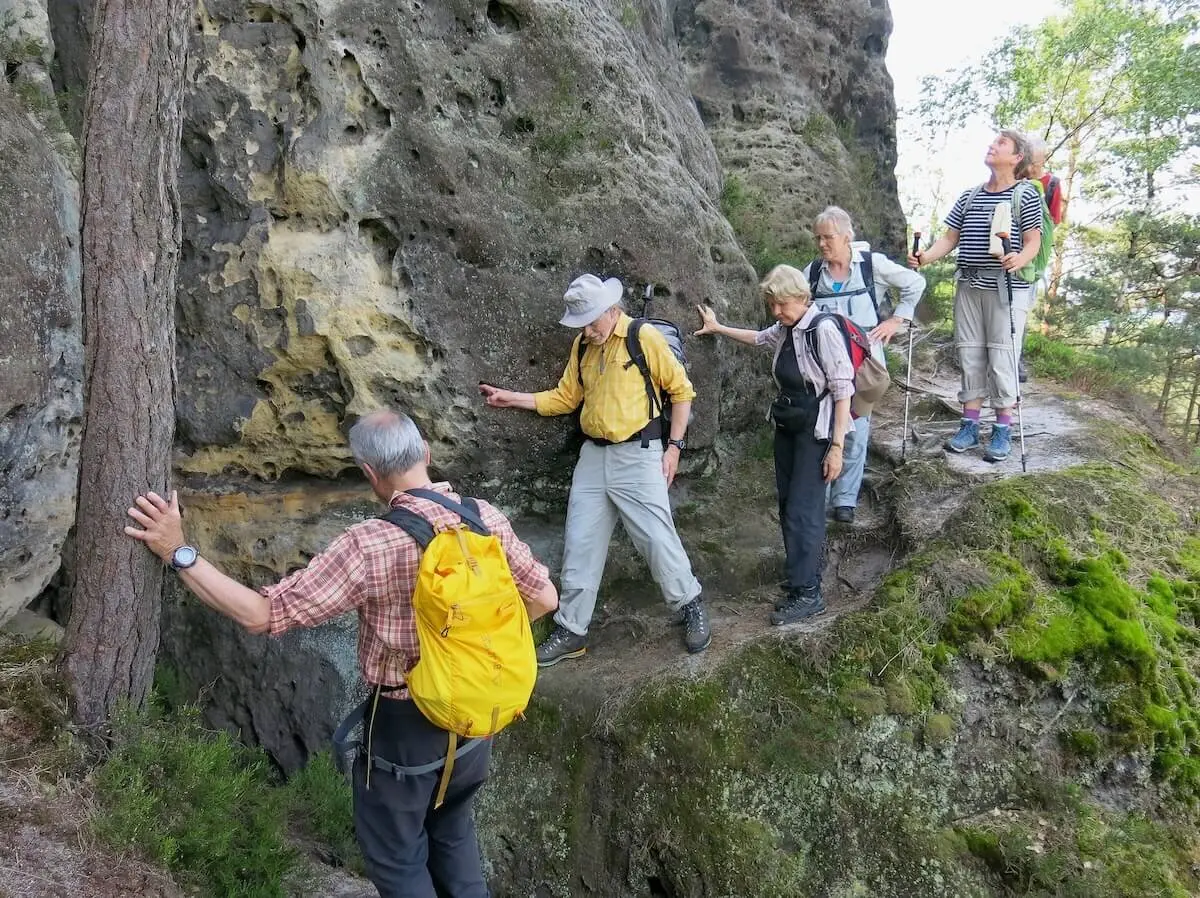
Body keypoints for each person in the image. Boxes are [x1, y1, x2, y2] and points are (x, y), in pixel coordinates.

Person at [123, 410, 558, 898]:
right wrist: (471, 651)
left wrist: (179, 551)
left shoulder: (369, 545)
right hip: (478, 715)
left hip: (406, 727)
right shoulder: (485, 518)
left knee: (398, 863)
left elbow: (262, 614)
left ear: (370, 474)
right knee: (454, 837)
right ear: (427, 455)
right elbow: (544, 599)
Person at [479, 274, 710, 664]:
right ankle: (572, 630)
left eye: (591, 320)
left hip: (638, 453)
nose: (587, 329)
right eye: (581, 323)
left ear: (611, 309)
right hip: (593, 457)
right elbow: (566, 397)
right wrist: (511, 398)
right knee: (580, 543)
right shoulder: (583, 344)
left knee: (656, 538)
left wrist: (674, 449)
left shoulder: (642, 337)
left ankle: (690, 605)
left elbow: (681, 390)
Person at [694, 265, 854, 624]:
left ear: (801, 297)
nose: (776, 312)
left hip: (817, 431)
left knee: (804, 509)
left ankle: (810, 593)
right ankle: (799, 580)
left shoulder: (821, 329)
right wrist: (718, 328)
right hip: (788, 427)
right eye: (772, 305)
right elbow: (757, 338)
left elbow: (844, 390)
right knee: (787, 505)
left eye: (781, 304)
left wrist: (837, 447)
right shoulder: (786, 329)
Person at [908, 130, 1042, 462]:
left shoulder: (1025, 195)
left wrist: (1019, 259)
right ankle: (969, 426)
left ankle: (1002, 430)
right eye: (992, 141)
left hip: (1004, 286)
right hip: (968, 285)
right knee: (970, 356)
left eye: (1000, 144)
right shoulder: (970, 196)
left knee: (1001, 358)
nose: (991, 145)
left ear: (1016, 158)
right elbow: (950, 238)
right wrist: (925, 257)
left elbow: (1033, 241)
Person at [805, 205, 926, 524]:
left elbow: (915, 284)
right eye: (818, 238)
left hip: (865, 363)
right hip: (823, 363)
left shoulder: (872, 265)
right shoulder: (814, 272)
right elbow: (796, 300)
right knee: (824, 427)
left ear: (846, 236)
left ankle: (845, 499)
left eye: (828, 237)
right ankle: (823, 494)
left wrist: (897, 320)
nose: (821, 244)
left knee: (856, 428)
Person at [1027, 138, 1064, 226]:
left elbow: (1055, 219)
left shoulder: (1053, 183)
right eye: (1025, 163)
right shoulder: (1018, 178)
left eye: (1033, 164)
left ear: (1043, 160)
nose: (1029, 168)